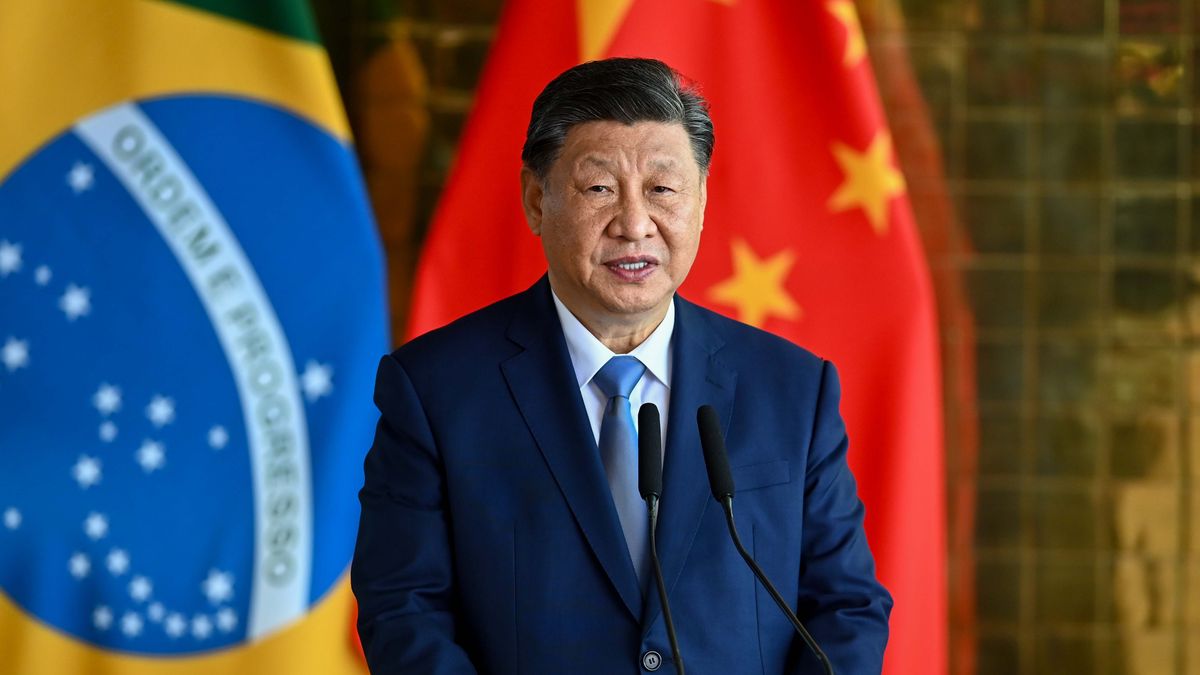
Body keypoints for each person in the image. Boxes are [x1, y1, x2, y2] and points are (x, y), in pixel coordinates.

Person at [351, 57, 891, 674]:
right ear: (536, 200)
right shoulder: (435, 389)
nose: (635, 225)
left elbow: (846, 608)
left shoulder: (794, 389)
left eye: (662, 190)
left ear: (702, 201)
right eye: (599, 188)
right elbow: (404, 610)